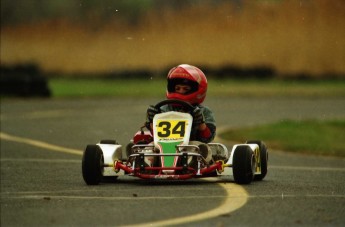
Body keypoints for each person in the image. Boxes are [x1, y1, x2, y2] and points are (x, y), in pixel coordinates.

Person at [145, 64, 216, 163]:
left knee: (202, 149)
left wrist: (200, 123)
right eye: (177, 88)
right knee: (147, 149)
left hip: (190, 145)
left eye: (185, 89)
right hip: (163, 145)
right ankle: (146, 166)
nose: (180, 92)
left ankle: (191, 165)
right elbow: (155, 135)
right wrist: (152, 120)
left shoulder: (204, 111)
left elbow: (207, 138)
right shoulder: (163, 109)